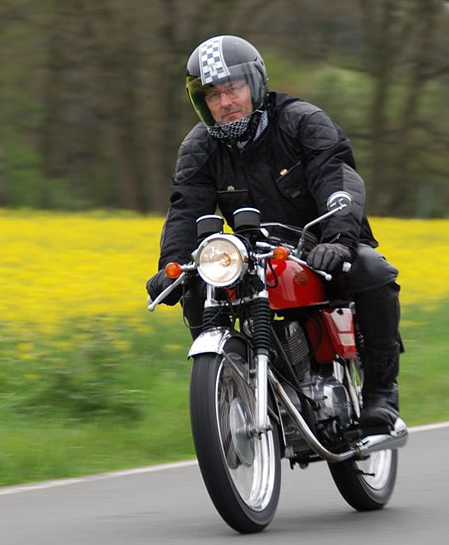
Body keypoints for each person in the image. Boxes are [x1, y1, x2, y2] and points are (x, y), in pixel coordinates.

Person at [146, 35, 401, 430]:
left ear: (255, 84)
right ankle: (226, 385)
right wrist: (172, 266)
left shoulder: (302, 122)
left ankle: (381, 393)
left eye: (233, 88)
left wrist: (337, 241)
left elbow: (337, 179)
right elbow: (185, 210)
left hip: (320, 243)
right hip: (250, 253)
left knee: (374, 272)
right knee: (196, 286)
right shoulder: (199, 147)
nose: (225, 102)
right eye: (212, 95)